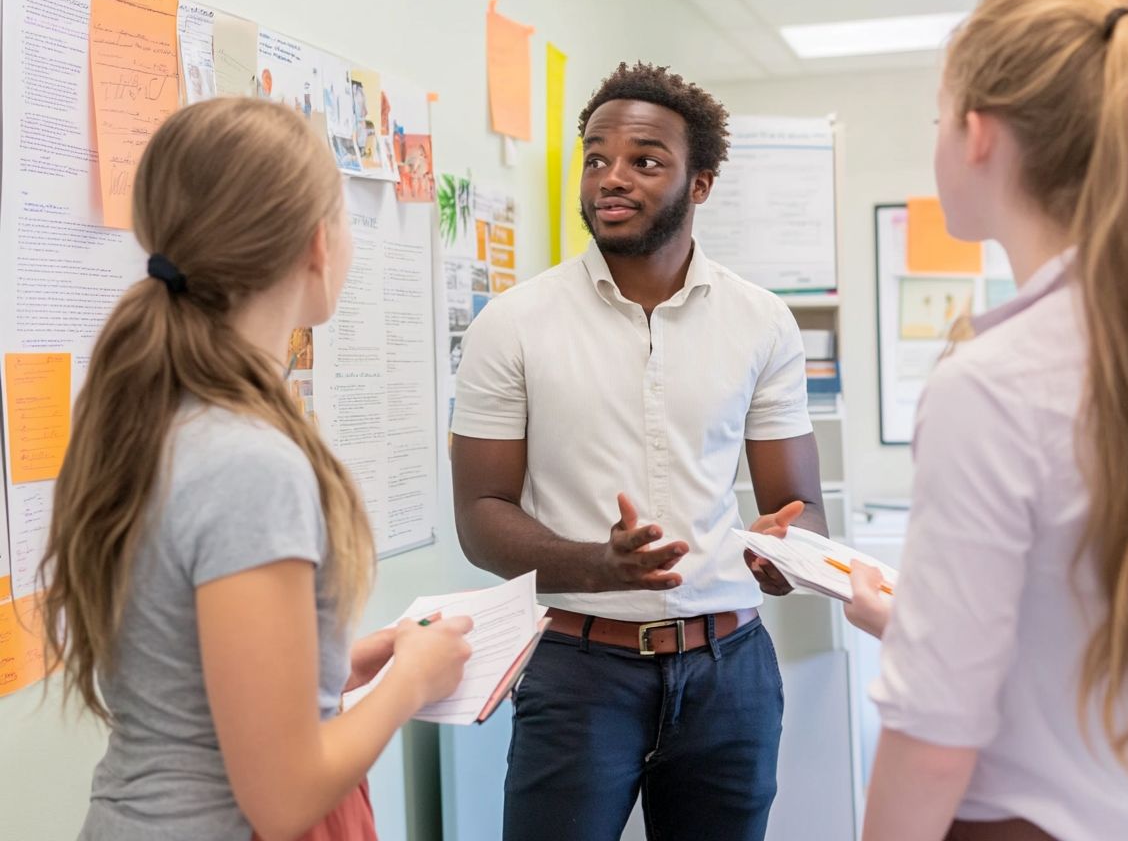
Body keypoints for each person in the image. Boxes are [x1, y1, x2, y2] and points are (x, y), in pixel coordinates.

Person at [836, 0, 1128, 840]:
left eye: (937, 115)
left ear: (977, 135)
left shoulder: (992, 382)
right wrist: (909, 622)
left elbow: (934, 738)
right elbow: (1114, 617)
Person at [39, 97, 473, 841]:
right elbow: (283, 796)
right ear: (316, 244)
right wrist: (412, 681)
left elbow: (183, 666)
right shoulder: (248, 461)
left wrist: (336, 668)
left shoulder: (158, 415)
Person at [451, 62, 827, 841]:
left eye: (645, 160)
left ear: (701, 184)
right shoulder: (513, 324)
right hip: (579, 670)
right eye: (596, 158)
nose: (611, 178)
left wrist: (787, 557)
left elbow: (799, 507)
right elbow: (480, 517)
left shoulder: (761, 323)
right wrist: (601, 565)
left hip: (731, 671)